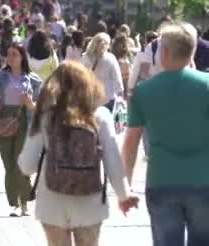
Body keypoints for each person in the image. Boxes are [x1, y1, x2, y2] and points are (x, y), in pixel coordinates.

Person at [19, 61, 138, 246]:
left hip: (52, 204)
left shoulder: (45, 116)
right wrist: (124, 195)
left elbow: (27, 166)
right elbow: (112, 161)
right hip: (89, 204)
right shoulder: (100, 116)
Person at [121, 22, 209, 246]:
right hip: (203, 181)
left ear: (165, 52)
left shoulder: (144, 91)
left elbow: (131, 143)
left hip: (162, 181)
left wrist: (125, 188)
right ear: (193, 51)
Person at [0, 43, 41, 217]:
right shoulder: (0, 77)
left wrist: (30, 104)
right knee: (9, 164)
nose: (10, 57)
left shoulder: (33, 79)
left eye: (14, 54)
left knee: (21, 163)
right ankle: (14, 200)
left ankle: (22, 203)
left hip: (25, 120)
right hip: (4, 120)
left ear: (22, 57)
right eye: (8, 54)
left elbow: (43, 103)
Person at [81, 33, 123, 112]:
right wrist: (120, 93)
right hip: (108, 97)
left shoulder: (85, 57)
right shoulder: (111, 58)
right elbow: (117, 77)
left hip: (90, 97)